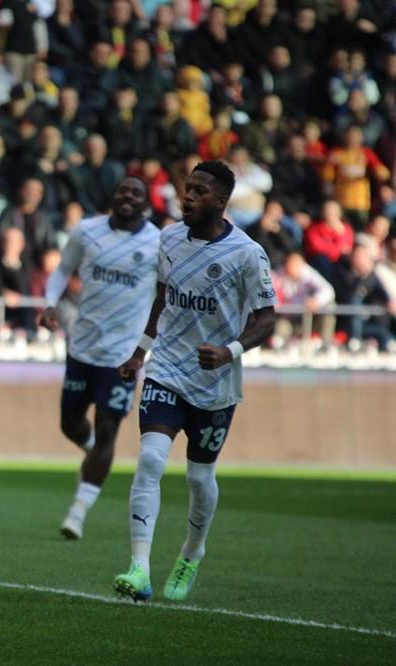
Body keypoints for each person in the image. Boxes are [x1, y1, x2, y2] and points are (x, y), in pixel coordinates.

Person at [113, 160, 276, 603]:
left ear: (222, 202)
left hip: (216, 381)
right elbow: (163, 297)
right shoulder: (169, 239)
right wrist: (140, 352)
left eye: (200, 192)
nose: (188, 197)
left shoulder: (247, 254)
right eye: (187, 188)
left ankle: (192, 551)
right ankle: (139, 568)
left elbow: (267, 320)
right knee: (150, 460)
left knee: (200, 479)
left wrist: (229, 351)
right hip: (167, 368)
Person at [38, 177, 159, 540]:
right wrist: (50, 303)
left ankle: (77, 513)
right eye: (123, 190)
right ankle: (92, 452)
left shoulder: (157, 243)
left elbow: (164, 295)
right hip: (82, 347)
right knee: (70, 424)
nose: (128, 196)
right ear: (113, 196)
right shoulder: (86, 231)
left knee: (108, 429)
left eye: (136, 193)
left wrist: (146, 345)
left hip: (122, 357)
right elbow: (63, 269)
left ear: (146, 204)